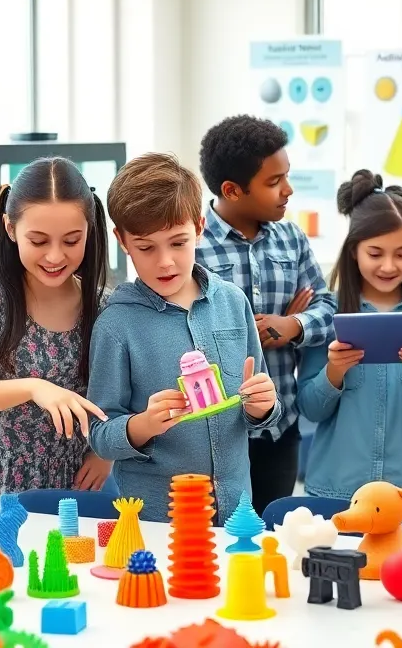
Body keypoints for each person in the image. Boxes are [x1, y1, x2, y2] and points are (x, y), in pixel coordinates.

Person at [88, 153, 282, 523]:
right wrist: (142, 424)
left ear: (199, 227)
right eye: (146, 247)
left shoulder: (232, 302)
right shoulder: (116, 325)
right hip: (158, 521)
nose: (165, 262)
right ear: (122, 240)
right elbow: (98, 434)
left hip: (236, 514)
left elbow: (262, 410)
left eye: (178, 243)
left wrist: (263, 407)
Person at [0, 157, 113, 508]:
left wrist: (105, 454)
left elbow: (123, 398)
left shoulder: (104, 307)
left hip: (75, 486)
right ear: (10, 227)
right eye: (39, 240)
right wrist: (35, 387)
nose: (54, 256)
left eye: (71, 240)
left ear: (89, 231)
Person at [196, 114, 336, 513]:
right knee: (221, 543)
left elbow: (327, 307)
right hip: (217, 435)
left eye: (286, 176)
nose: (287, 190)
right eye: (274, 182)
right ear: (232, 190)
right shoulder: (193, 245)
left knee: (275, 534)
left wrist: (291, 325)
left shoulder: (291, 238)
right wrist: (255, 334)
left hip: (280, 429)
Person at [297, 171, 402, 514]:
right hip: (336, 490)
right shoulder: (327, 313)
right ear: (353, 252)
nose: (389, 266)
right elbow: (309, 408)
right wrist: (333, 372)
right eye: (375, 253)